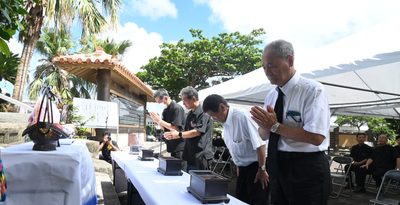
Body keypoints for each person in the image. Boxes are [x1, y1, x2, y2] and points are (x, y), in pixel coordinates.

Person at [250, 39, 331, 205]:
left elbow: (316, 137)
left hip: (306, 168)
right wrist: (265, 127)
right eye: (264, 67)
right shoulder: (271, 95)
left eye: (271, 65)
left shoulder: (312, 90)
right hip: (277, 164)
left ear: (290, 60)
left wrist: (275, 126)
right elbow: (264, 135)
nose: (267, 72)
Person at [203, 94, 269, 205]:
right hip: (243, 168)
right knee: (241, 198)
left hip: (257, 165)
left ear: (222, 107)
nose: (213, 119)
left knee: (257, 199)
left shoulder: (242, 117)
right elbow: (235, 145)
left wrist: (262, 169)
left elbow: (260, 145)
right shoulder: (225, 121)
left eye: (213, 115)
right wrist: (238, 164)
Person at [164, 86, 213, 171]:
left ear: (193, 99)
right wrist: (174, 135)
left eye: (184, 100)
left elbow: (197, 132)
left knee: (199, 182)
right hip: (189, 155)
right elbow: (185, 132)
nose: (183, 103)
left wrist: (179, 134)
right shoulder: (190, 114)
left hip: (201, 156)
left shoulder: (204, 113)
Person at [149, 88, 185, 159]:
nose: (159, 105)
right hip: (171, 145)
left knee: (179, 168)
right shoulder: (165, 110)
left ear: (165, 98)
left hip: (180, 146)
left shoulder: (177, 108)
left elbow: (175, 128)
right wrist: (156, 120)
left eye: (160, 102)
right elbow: (164, 128)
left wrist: (159, 121)